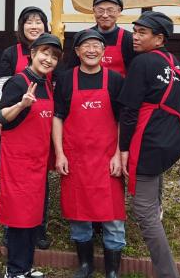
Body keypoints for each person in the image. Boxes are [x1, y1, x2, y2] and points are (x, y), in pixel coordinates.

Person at [119, 11, 180, 278]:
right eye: (134, 31)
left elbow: (129, 110)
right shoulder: (174, 62)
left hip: (148, 141)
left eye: (142, 33)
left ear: (159, 38)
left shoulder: (143, 62)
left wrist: (123, 148)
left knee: (143, 211)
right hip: (173, 139)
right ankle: (157, 204)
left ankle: (168, 274)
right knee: (153, 196)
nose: (135, 38)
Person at [52, 29, 126, 278]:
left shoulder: (115, 80)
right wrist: (59, 154)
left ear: (104, 52)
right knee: (78, 213)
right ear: (77, 51)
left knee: (113, 217)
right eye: (86, 46)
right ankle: (85, 265)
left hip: (107, 159)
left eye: (97, 45)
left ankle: (112, 270)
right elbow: (58, 117)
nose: (92, 50)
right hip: (76, 158)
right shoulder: (65, 79)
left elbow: (121, 120)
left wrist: (118, 154)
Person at [0, 33, 63, 278]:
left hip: (38, 161)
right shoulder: (17, 82)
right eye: (45, 53)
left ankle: (25, 266)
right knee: (18, 218)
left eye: (54, 56)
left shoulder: (46, 83)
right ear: (33, 53)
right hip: (18, 161)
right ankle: (14, 270)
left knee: (33, 217)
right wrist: (22, 105)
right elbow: (1, 117)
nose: (49, 59)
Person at [0, 5, 53, 250]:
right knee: (13, 183)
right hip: (16, 120)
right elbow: (1, 88)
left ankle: (39, 228)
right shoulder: (11, 53)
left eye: (38, 21)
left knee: (41, 182)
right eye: (28, 21)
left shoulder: (53, 53)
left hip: (41, 123)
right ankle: (11, 230)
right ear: (21, 27)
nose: (34, 25)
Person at [89, 0, 137, 77]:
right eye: (100, 10)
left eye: (110, 10)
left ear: (118, 11)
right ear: (94, 11)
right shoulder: (84, 37)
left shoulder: (129, 39)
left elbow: (135, 74)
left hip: (120, 89)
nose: (105, 15)